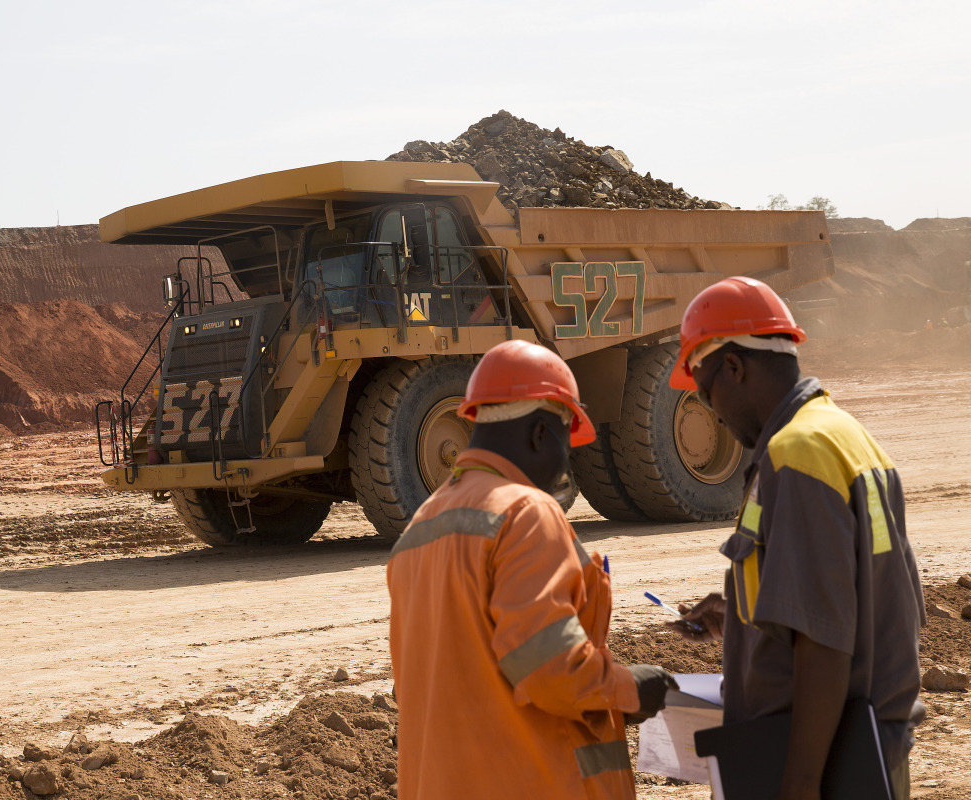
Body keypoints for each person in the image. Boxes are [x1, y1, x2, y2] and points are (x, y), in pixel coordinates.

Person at [667, 277, 925, 800]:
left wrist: (800, 785)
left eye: (703, 388)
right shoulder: (846, 435)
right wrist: (743, 615)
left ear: (734, 368)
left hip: (822, 763)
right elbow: (849, 594)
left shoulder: (798, 454)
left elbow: (824, 639)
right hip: (868, 749)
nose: (709, 409)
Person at [386, 340, 677, 800]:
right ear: (541, 433)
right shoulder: (525, 512)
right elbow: (549, 668)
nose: (565, 464)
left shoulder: (420, 530)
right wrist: (627, 688)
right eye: (566, 443)